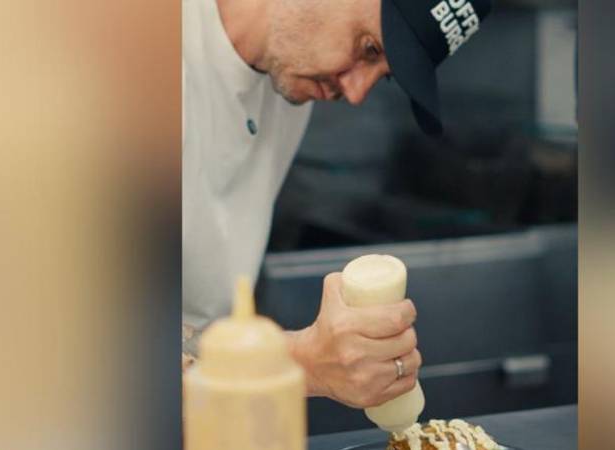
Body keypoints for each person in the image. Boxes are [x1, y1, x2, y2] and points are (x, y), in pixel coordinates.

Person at [181, 0, 492, 408]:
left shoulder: (291, 88)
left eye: (381, 76)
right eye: (367, 48)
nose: (355, 91)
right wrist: (297, 365)